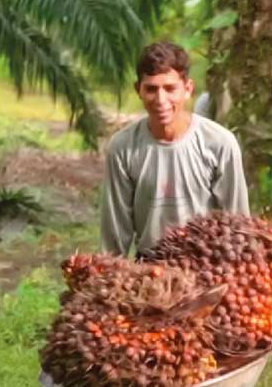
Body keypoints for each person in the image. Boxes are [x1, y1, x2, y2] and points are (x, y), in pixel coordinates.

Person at [101, 41, 250, 257]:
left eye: (170, 89)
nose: (161, 100)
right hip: (150, 266)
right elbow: (115, 233)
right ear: (138, 90)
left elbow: (237, 223)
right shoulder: (122, 147)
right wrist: (109, 271)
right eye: (151, 89)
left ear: (187, 89)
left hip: (205, 264)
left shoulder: (219, 143)